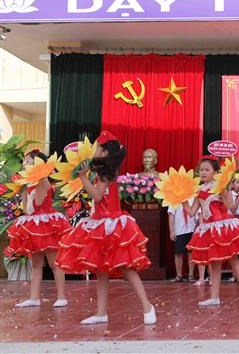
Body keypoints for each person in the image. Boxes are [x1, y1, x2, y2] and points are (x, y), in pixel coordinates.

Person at [56, 131, 156, 325]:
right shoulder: (102, 172)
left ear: (105, 153)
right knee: (101, 270)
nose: (93, 150)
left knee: (126, 268)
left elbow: (97, 196)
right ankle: (101, 313)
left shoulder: (105, 174)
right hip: (100, 223)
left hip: (112, 225)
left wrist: (83, 177)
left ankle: (147, 306)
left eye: (97, 147)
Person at [185, 156, 239, 307]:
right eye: (201, 170)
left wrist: (226, 190)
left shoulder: (220, 186)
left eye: (207, 169)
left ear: (215, 172)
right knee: (214, 263)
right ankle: (214, 297)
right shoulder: (199, 190)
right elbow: (192, 212)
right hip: (208, 229)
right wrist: (181, 199)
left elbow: (230, 206)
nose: (203, 172)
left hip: (222, 227)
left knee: (233, 260)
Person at [5, 150, 69, 308]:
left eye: (28, 160)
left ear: (38, 163)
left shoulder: (44, 181)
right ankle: (34, 297)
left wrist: (34, 188)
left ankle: (61, 296)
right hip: (33, 223)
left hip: (47, 223)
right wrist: (24, 190)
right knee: (35, 263)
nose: (24, 162)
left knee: (54, 263)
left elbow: (39, 202)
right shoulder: (28, 183)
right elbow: (28, 210)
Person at [167, 199, 196, 282]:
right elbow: (171, 215)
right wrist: (172, 231)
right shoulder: (174, 199)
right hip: (179, 230)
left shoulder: (193, 198)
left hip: (191, 229)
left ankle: (191, 274)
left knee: (191, 252)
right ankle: (179, 275)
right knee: (178, 253)